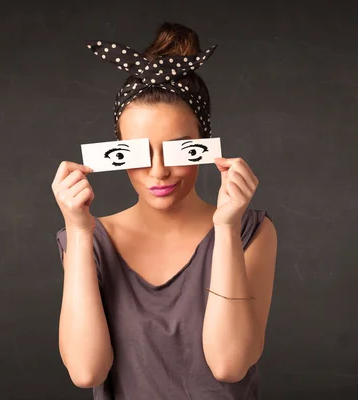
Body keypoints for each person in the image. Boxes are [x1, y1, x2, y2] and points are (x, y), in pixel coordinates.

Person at [51, 22, 277, 399]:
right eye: (138, 152)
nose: (158, 171)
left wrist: (224, 228)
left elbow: (229, 364)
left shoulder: (250, 232)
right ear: (118, 152)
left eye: (178, 149)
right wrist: (77, 231)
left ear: (203, 147)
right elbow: (87, 370)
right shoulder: (88, 240)